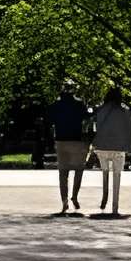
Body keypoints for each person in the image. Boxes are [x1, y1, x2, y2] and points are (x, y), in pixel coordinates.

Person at [91, 88, 131, 217]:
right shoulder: (125, 111)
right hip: (119, 147)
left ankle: (104, 198)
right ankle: (115, 206)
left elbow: (96, 126)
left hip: (102, 146)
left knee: (104, 172)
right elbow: (130, 131)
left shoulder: (100, 110)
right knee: (117, 176)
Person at [48, 82, 92, 214]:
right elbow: (86, 117)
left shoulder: (55, 106)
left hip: (61, 139)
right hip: (76, 140)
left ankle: (64, 201)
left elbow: (49, 120)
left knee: (63, 172)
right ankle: (74, 196)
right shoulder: (79, 104)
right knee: (79, 170)